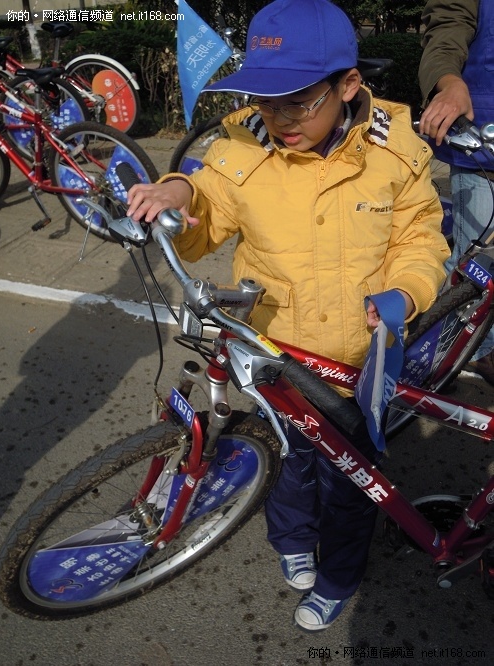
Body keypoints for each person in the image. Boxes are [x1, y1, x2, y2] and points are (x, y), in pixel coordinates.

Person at [127, 0, 449, 631]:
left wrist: (408, 291)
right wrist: (176, 192)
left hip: (359, 360)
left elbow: (422, 236)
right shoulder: (246, 139)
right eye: (264, 98)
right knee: (291, 462)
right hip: (276, 354)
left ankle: (338, 577)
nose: (277, 118)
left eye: (297, 101)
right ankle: (293, 542)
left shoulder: (396, 147)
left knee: (352, 483)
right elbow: (209, 198)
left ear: (348, 86)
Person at [419, 0, 494, 386]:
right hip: (485, 138)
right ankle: (477, 351)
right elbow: (448, 23)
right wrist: (448, 81)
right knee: (475, 268)